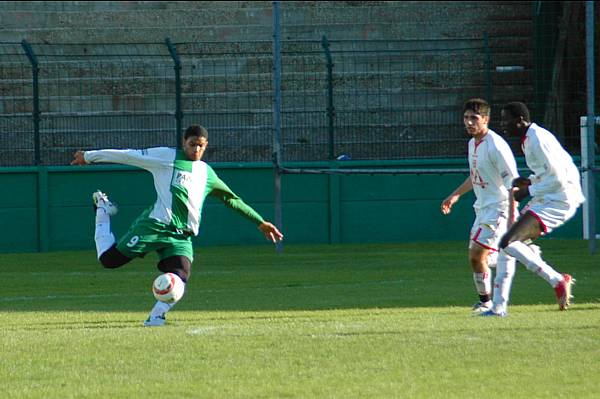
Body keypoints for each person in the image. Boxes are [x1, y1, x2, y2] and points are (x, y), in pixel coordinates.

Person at [71, 125, 284, 326]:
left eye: (201, 145)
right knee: (109, 261)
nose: (196, 149)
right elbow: (128, 155)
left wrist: (260, 222)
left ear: (206, 145)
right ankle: (102, 210)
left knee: (181, 274)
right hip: (154, 227)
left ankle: (156, 317)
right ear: (184, 143)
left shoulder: (206, 173)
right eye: (192, 144)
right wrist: (89, 157)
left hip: (181, 237)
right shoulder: (167, 157)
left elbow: (232, 199)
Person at [481, 102, 584, 316]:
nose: (503, 124)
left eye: (505, 119)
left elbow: (558, 179)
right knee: (507, 246)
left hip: (560, 200)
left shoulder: (537, 140)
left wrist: (528, 190)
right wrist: (529, 180)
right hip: (548, 197)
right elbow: (546, 174)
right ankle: (499, 308)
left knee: (508, 242)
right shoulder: (529, 139)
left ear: (520, 120)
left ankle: (557, 279)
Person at [441, 98, 519, 314]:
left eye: (474, 118)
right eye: (466, 118)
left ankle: (488, 303)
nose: (469, 122)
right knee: (476, 258)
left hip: (499, 209)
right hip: (482, 208)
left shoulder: (496, 145)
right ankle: (485, 300)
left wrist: (512, 217)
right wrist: (454, 195)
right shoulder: (472, 144)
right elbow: (475, 176)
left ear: (486, 119)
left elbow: (514, 183)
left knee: (478, 255)